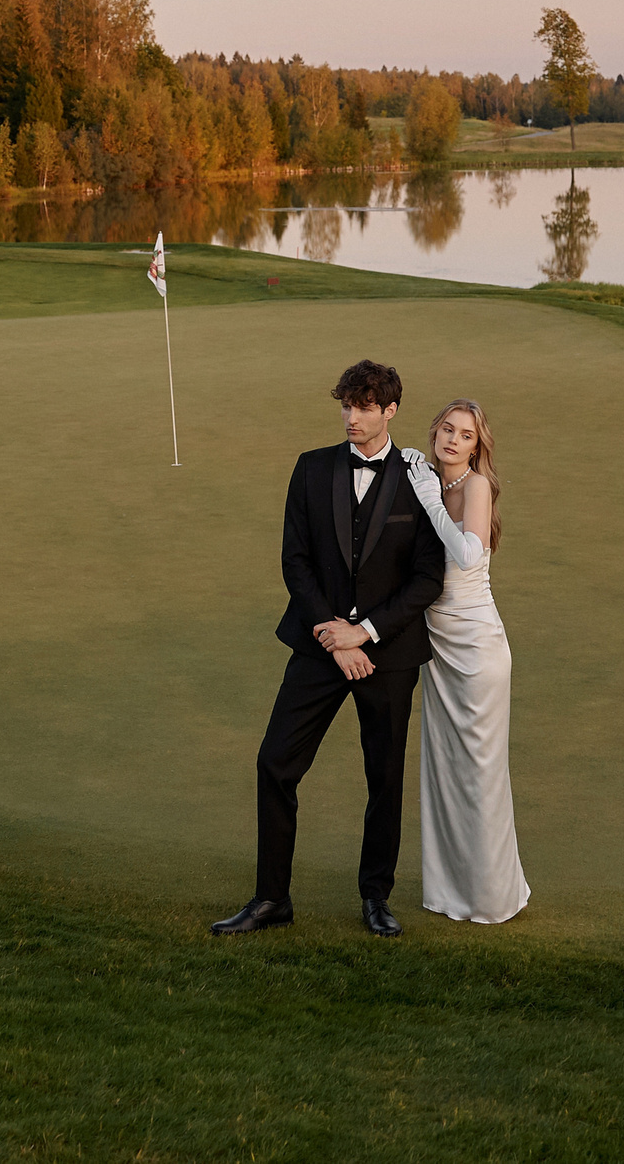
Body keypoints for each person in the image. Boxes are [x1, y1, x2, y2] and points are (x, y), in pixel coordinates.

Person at [213, 359, 449, 939]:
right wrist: (333, 636)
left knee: (384, 777)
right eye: (346, 405)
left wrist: (364, 633)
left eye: (365, 407)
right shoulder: (312, 469)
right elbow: (295, 560)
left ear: (390, 410)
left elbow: (427, 579)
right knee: (275, 762)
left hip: (386, 654)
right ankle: (271, 899)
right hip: (321, 648)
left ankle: (376, 898)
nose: (353, 417)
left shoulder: (421, 480)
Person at [397, 399, 530, 923]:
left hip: (476, 647)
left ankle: (492, 897)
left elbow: (470, 555)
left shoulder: (474, 486)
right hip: (438, 647)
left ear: (478, 447)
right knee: (446, 769)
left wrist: (429, 495)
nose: (454, 440)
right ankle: (452, 892)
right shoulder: (428, 480)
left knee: (479, 771)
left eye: (467, 436)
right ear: (435, 431)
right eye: (448, 429)